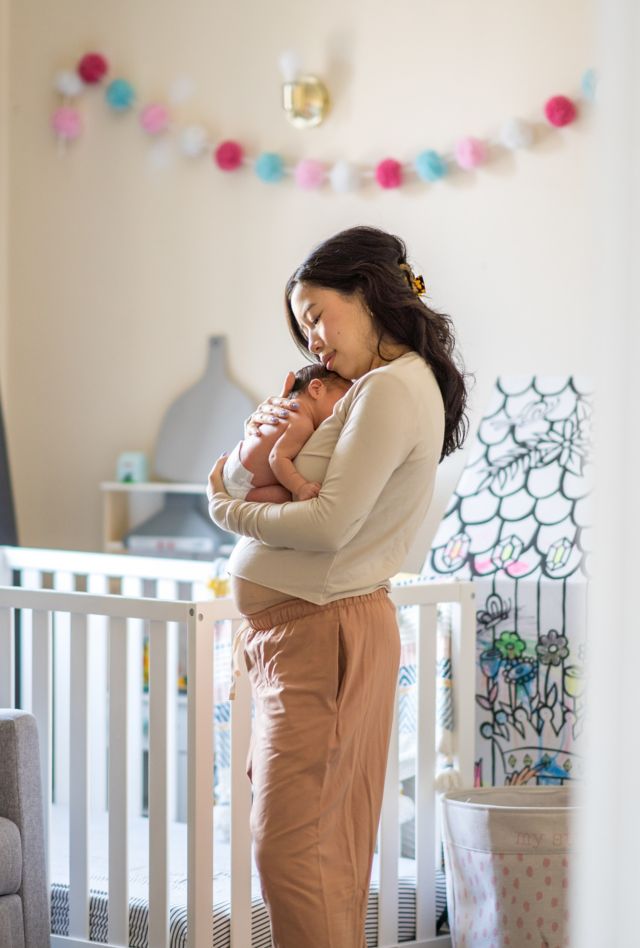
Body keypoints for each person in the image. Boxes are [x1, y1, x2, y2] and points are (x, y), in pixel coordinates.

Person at [207, 225, 468, 948]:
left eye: (316, 314)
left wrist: (226, 509)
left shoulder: (390, 389)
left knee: (294, 855)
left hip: (321, 635)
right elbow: (269, 475)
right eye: (303, 328)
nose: (311, 340)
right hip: (300, 636)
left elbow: (328, 525)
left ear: (365, 288)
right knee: (323, 858)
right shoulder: (363, 390)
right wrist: (247, 464)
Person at [222, 364, 351, 503]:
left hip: (234, 466)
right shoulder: (301, 422)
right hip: (242, 485)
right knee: (288, 497)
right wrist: (301, 487)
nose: (346, 412)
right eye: (344, 402)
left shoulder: (286, 411)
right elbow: (276, 458)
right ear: (316, 389)